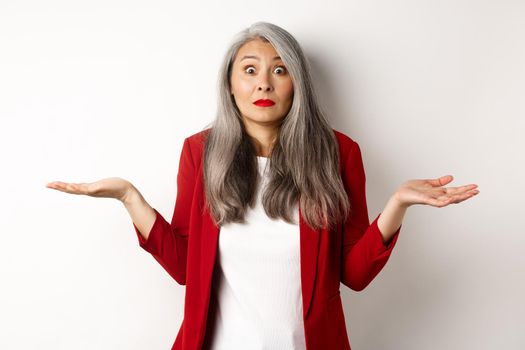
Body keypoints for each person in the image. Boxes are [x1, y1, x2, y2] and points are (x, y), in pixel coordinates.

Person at [46, 21, 479, 350]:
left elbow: (354, 274)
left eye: (279, 70)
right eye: (249, 70)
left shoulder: (338, 153)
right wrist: (129, 197)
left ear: (297, 85)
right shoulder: (201, 152)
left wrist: (396, 206)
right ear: (231, 86)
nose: (263, 83)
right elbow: (185, 268)